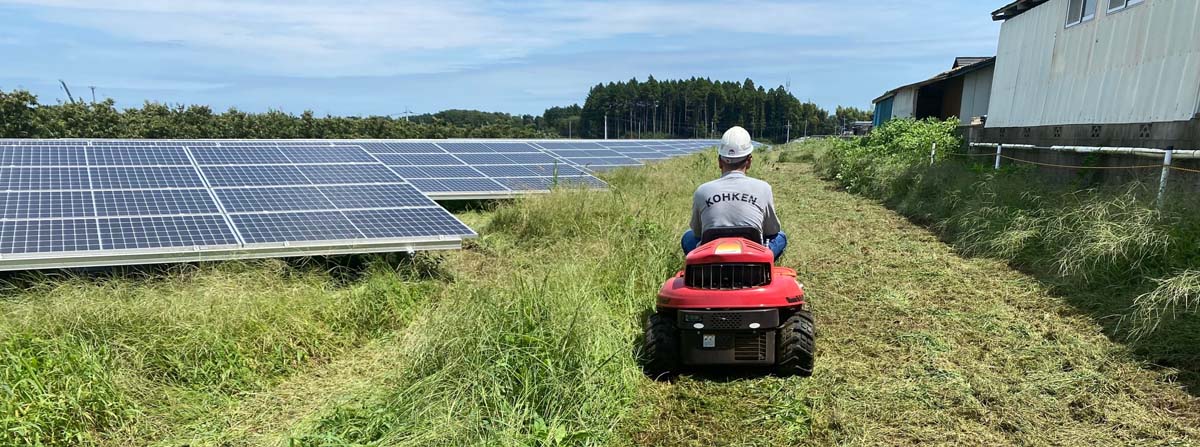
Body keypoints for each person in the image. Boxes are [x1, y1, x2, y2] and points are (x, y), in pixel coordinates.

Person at [682, 126, 786, 260]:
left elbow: (697, 233)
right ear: (749, 162)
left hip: (712, 258)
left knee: (688, 237)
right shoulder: (763, 188)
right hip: (752, 258)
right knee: (780, 236)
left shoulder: (702, 190)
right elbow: (772, 230)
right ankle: (763, 265)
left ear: (720, 161)